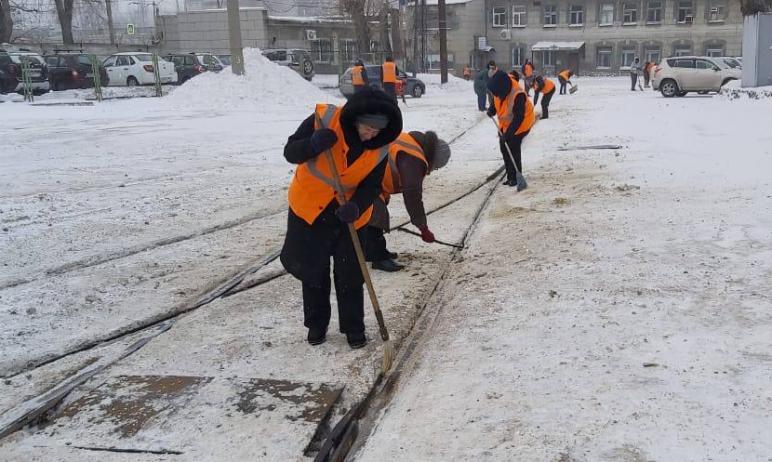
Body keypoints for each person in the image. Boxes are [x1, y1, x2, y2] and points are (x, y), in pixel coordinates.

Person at [281, 87, 402, 349]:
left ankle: (354, 330)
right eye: (367, 128)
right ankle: (316, 326)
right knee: (314, 270)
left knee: (350, 272)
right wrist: (311, 144)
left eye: (377, 131)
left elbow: (371, 186)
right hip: (310, 207)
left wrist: (357, 206)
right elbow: (290, 152)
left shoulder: (379, 148)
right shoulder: (323, 120)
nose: (371, 135)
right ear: (355, 119)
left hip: (348, 214)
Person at [364, 131, 452, 271]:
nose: (431, 171)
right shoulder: (414, 159)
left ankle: (374, 251)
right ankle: (378, 257)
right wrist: (423, 228)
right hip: (365, 175)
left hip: (372, 176)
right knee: (376, 216)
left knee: (375, 214)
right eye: (435, 167)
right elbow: (412, 197)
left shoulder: (414, 143)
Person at [487, 70, 535, 187]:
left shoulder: (518, 94)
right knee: (504, 148)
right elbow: (496, 99)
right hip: (506, 124)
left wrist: (508, 134)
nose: (496, 95)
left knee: (513, 147)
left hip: (522, 123)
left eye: (498, 93)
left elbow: (518, 118)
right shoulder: (500, 86)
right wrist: (492, 110)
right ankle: (510, 175)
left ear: (504, 89)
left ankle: (515, 177)